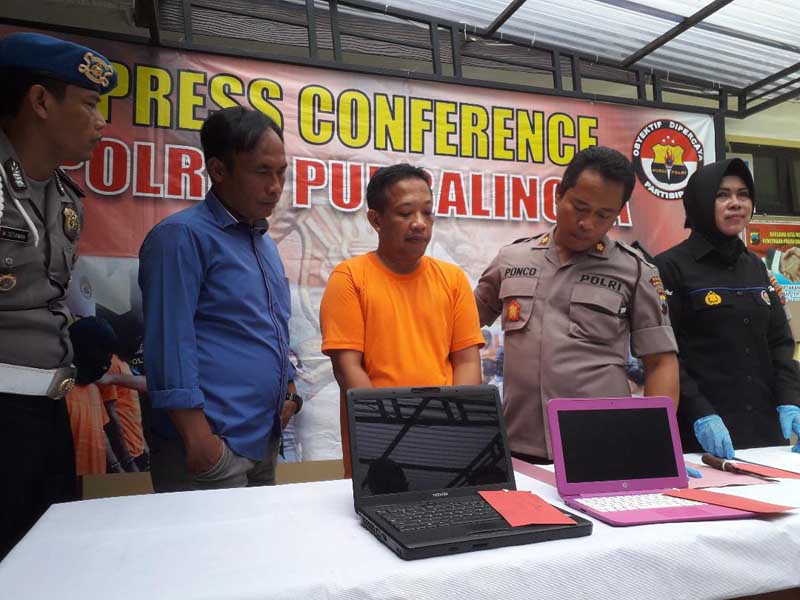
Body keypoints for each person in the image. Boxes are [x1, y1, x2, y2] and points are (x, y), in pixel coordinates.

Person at [474, 146, 679, 462]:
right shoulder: (511, 259)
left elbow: (661, 362)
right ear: (559, 195)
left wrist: (654, 441)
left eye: (603, 215)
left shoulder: (635, 271)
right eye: (579, 207)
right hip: (517, 444)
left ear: (618, 213)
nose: (587, 223)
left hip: (602, 444)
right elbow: (462, 328)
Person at [139, 107, 300, 491]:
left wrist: (290, 394)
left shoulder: (262, 243)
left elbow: (272, 329)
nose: (276, 186)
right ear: (218, 170)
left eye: (282, 172)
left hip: (262, 437)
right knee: (202, 552)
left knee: (256, 551)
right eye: (262, 172)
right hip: (211, 447)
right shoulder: (181, 237)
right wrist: (201, 441)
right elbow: (169, 344)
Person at [0, 32, 116, 558]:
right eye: (89, 104)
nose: (101, 122)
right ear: (41, 102)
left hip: (46, 415)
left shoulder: (65, 197)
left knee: (47, 565)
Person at [319, 164, 484, 476]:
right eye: (406, 213)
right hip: (379, 447)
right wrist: (393, 433)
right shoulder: (350, 278)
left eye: (427, 212)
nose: (419, 224)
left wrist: (454, 426)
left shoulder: (453, 279)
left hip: (446, 438)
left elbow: (466, 361)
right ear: (376, 219)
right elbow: (348, 368)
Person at [654, 159, 800, 457]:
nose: (735, 203)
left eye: (743, 194)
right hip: (701, 436)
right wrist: (700, 414)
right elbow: (666, 355)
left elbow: (780, 343)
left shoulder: (757, 267)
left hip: (766, 436)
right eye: (722, 195)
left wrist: (791, 399)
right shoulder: (670, 267)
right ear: (700, 202)